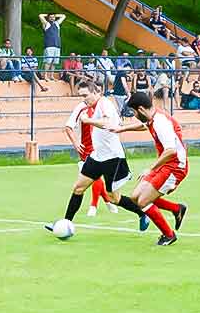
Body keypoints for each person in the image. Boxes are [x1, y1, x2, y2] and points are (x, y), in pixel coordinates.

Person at [45, 82, 150, 233]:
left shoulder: (104, 104)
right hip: (97, 156)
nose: (84, 99)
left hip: (112, 158)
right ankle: (65, 223)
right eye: (81, 96)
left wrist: (88, 121)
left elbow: (107, 122)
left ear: (96, 92)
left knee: (114, 198)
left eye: (85, 95)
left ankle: (143, 213)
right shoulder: (91, 106)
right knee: (78, 188)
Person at [115, 92, 189, 246]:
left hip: (175, 167)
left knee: (143, 201)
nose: (134, 116)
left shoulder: (160, 122)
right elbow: (144, 126)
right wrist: (122, 129)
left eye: (134, 112)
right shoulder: (152, 117)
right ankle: (176, 209)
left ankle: (168, 235)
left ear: (141, 109)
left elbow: (171, 150)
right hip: (165, 164)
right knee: (135, 197)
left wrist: (150, 169)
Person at [62, 97, 118, 217]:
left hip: (102, 147)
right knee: (93, 177)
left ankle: (104, 202)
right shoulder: (81, 107)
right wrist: (76, 143)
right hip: (87, 148)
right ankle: (96, 205)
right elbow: (68, 127)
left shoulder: (104, 106)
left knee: (93, 178)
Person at [39, 13, 66, 81]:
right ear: (48, 18)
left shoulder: (56, 23)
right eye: (50, 17)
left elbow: (63, 16)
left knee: (54, 62)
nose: (52, 18)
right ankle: (45, 75)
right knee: (48, 61)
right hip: (49, 45)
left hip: (57, 45)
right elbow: (40, 15)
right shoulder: (47, 24)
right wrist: (48, 15)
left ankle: (51, 75)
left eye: (53, 17)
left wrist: (55, 15)